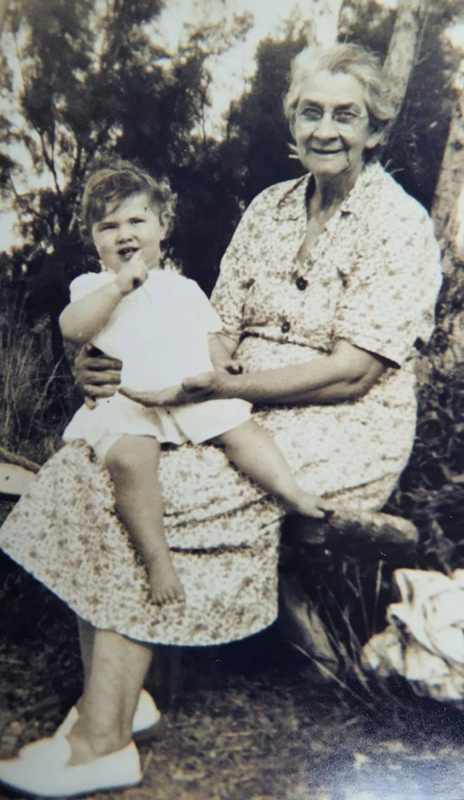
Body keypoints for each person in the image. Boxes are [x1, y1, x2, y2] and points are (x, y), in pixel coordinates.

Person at [0, 42, 442, 797]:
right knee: (91, 465)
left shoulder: (397, 224)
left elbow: (354, 371)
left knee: (172, 491)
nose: (327, 128)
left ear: (376, 127)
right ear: (291, 121)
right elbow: (214, 327)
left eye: (347, 114)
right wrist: (120, 370)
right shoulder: (269, 208)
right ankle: (114, 702)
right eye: (311, 111)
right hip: (227, 394)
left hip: (342, 421)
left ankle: (103, 744)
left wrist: (223, 394)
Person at [60, 162, 328, 605]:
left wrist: (224, 365)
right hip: (128, 401)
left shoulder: (184, 288)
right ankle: (158, 559)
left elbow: (210, 336)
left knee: (241, 428)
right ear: (93, 238)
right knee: (131, 459)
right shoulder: (92, 285)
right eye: (108, 226)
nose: (124, 234)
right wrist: (118, 288)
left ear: (162, 226)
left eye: (136, 221)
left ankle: (292, 492)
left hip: (188, 393)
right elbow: (73, 326)